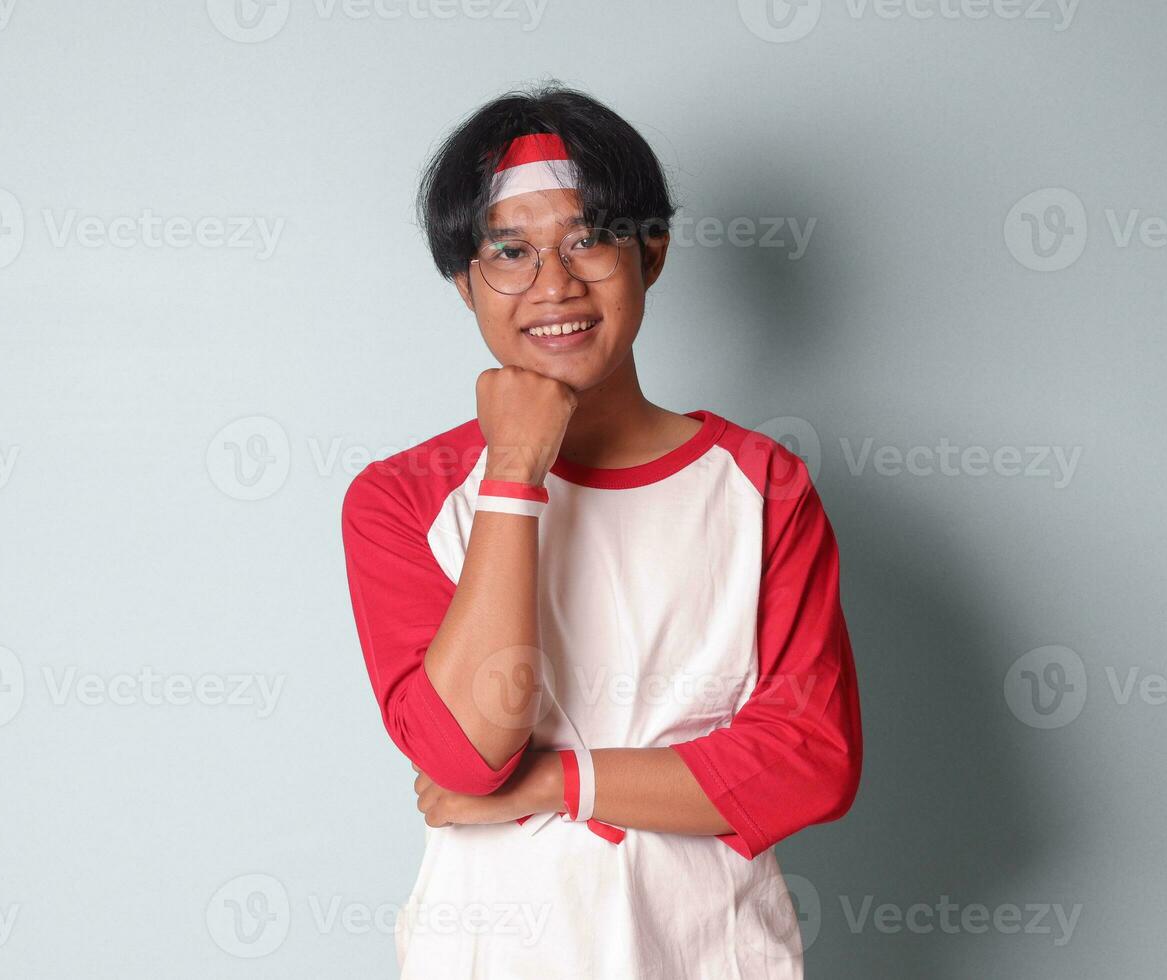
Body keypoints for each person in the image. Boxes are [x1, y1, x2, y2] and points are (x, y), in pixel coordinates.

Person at [340, 82, 863, 979]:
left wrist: (556, 783)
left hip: (707, 956)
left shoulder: (762, 487)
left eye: (588, 239)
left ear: (651, 253)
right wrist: (513, 475)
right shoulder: (400, 498)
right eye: (509, 251)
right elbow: (466, 750)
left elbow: (809, 759)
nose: (554, 285)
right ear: (465, 282)